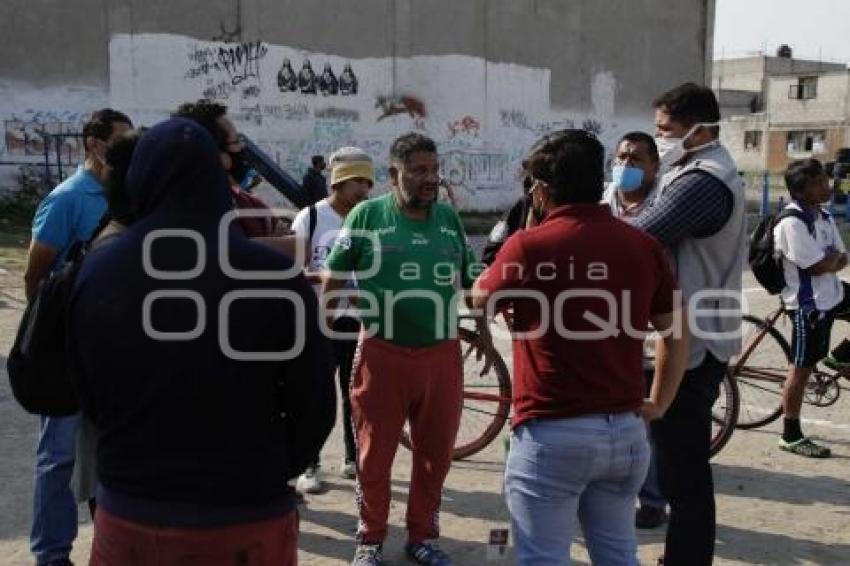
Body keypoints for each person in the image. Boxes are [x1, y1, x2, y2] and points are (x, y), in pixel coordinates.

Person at [67, 118, 336, 565]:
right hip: (246, 516)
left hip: (131, 512)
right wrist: (273, 467)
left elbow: (85, 386)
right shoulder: (273, 276)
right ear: (216, 178)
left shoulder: (99, 269)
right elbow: (315, 397)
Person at [472, 129, 689, 565]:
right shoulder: (643, 245)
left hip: (553, 432)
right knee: (617, 554)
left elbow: (480, 297)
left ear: (541, 188)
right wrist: (660, 401)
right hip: (626, 434)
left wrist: (529, 233)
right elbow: (677, 332)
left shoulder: (528, 247)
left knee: (544, 556)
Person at [322, 132, 476, 566]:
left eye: (434, 169)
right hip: (382, 355)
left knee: (435, 457)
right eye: (419, 170)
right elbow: (334, 279)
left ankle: (422, 536)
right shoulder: (366, 217)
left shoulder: (448, 218)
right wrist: (323, 333)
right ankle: (370, 540)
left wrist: (481, 329)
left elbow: (470, 279)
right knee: (374, 457)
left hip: (441, 356)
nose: (431, 178)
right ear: (394, 174)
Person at [633, 83, 746, 566]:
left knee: (685, 472)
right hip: (686, 336)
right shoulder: (689, 170)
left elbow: (641, 236)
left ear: (698, 130)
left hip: (690, 344)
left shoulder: (704, 180)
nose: (659, 139)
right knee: (675, 463)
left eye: (666, 131)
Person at [24, 107, 132, 566]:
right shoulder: (68, 198)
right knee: (59, 457)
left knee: (110, 453)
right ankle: (51, 554)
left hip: (110, 350)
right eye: (120, 141)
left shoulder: (125, 194)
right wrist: (53, 333)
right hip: (69, 349)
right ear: (94, 143)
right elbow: (35, 273)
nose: (127, 151)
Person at [291, 147, 375, 493]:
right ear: (338, 182)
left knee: (356, 395)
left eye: (367, 182)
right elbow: (295, 272)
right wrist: (330, 279)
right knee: (316, 395)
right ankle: (309, 463)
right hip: (322, 320)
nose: (363, 189)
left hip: (360, 321)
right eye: (356, 181)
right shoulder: (310, 218)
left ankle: (354, 459)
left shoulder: (370, 218)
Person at [604, 131, 668, 529]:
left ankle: (652, 498)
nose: (627, 165)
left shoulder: (665, 206)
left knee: (648, 421)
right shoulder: (602, 201)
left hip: (650, 328)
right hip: (605, 330)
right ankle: (609, 495)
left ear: (654, 165)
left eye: (638, 158)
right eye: (622, 156)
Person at [774, 158, 847, 458]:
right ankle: (790, 434)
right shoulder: (792, 223)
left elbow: (842, 256)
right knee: (801, 370)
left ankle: (839, 358)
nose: (826, 185)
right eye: (818, 182)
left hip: (832, 293)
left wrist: (831, 261)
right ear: (802, 190)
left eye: (824, 180)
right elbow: (817, 266)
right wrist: (829, 261)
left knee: (816, 362)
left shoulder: (823, 216)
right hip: (808, 304)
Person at [172, 99, 283, 238]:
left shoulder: (247, 202)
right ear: (213, 151)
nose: (241, 148)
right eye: (236, 141)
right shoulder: (182, 211)